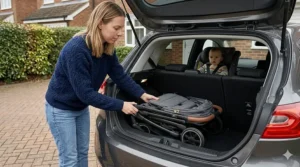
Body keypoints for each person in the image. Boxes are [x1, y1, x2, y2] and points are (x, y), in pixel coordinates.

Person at [44, 1, 158, 167]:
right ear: (100, 24)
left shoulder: (107, 48)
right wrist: (121, 105)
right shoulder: (76, 50)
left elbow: (119, 75)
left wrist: (141, 94)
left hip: (79, 107)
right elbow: (86, 94)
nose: (120, 33)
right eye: (116, 28)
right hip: (61, 109)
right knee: (69, 159)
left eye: (122, 28)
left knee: (82, 153)